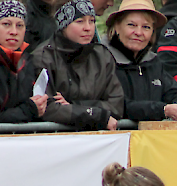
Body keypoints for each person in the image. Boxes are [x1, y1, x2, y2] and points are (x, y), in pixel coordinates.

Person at [32, 0, 124, 131]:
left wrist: (74, 106)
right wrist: (96, 115)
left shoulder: (102, 56)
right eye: (79, 21)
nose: (88, 28)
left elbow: (116, 104)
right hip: (56, 139)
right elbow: (46, 108)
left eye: (91, 21)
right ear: (63, 24)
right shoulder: (43, 57)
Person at [104, 0, 177, 121]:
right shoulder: (103, 61)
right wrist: (163, 110)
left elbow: (172, 94)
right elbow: (118, 105)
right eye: (131, 25)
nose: (138, 32)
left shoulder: (154, 62)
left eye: (146, 27)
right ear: (117, 27)